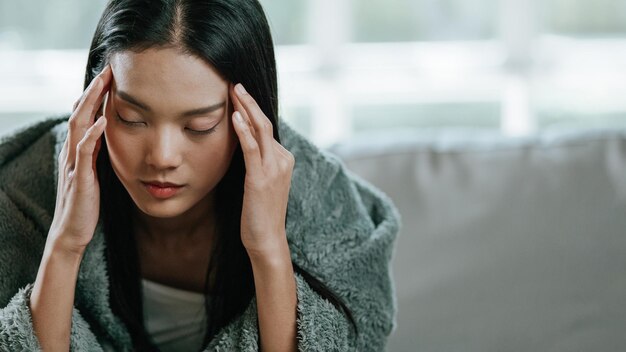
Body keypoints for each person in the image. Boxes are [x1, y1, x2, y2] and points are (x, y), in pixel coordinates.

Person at [0, 0, 401, 351]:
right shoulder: (22, 194)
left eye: (200, 126)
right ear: (96, 103)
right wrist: (66, 243)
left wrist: (268, 249)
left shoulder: (324, 209)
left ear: (249, 114)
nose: (162, 157)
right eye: (131, 118)